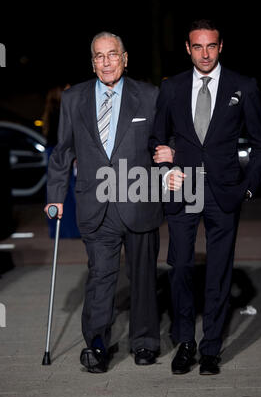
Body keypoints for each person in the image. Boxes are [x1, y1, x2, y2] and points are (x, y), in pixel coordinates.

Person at [44, 32, 171, 373]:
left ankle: (145, 342)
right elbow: (63, 151)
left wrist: (169, 156)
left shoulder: (149, 96)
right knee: (101, 276)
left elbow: (164, 140)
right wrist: (55, 197)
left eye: (112, 55)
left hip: (139, 198)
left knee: (143, 276)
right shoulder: (74, 99)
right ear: (92, 62)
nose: (106, 62)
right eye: (99, 56)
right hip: (96, 202)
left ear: (125, 58)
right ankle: (97, 345)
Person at [150, 19, 261, 375]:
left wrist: (247, 187)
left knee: (218, 272)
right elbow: (157, 139)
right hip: (183, 188)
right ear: (188, 48)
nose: (205, 53)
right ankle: (185, 342)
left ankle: (211, 348)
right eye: (197, 47)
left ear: (220, 47)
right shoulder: (171, 88)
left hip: (224, 192)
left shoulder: (242, 86)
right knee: (181, 267)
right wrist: (165, 167)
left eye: (211, 46)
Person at [42, 83, 81, 239]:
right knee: (68, 193)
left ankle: (60, 230)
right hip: (62, 153)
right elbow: (66, 138)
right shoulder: (61, 111)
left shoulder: (50, 111)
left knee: (56, 192)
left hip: (53, 152)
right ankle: (71, 230)